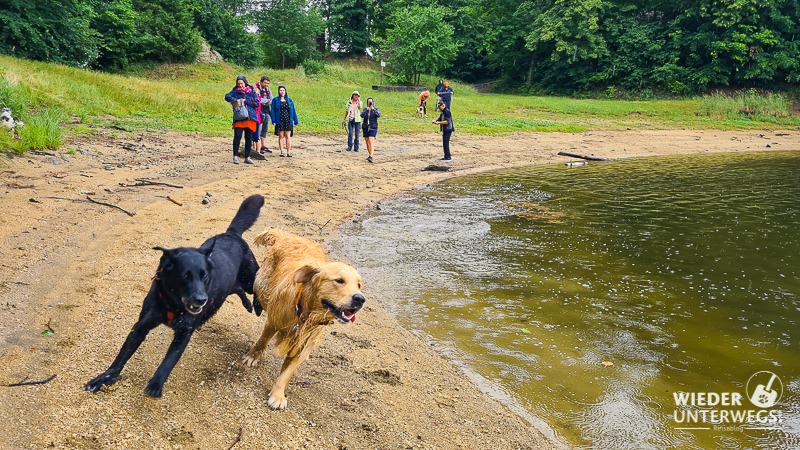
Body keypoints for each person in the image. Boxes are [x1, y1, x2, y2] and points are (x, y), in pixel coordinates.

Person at [224, 75, 260, 164]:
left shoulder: (251, 91)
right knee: (237, 136)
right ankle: (235, 156)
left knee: (249, 138)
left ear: (245, 82)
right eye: (238, 83)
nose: (240, 85)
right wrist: (238, 100)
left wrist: (246, 101)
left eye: (242, 83)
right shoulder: (235, 91)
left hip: (250, 117)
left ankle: (247, 157)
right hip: (239, 116)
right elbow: (227, 97)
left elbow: (257, 103)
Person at [270, 85, 298, 157]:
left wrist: (296, 120)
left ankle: (288, 152)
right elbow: (272, 110)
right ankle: (282, 151)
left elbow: (293, 110)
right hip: (280, 120)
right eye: (280, 90)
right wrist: (273, 120)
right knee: (281, 136)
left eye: (283, 90)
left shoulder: (289, 100)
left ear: (285, 91)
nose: (282, 92)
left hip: (288, 120)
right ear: (278, 91)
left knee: (288, 136)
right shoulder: (275, 100)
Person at [255, 76, 273, 154]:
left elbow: (272, 100)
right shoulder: (256, 89)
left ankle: (263, 145)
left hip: (266, 110)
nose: (266, 85)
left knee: (265, 128)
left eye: (268, 83)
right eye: (265, 83)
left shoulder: (268, 90)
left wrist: (266, 101)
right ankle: (256, 147)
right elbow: (258, 100)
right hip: (259, 111)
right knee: (259, 129)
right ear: (261, 82)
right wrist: (267, 100)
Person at [360, 97, 380, 163]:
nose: (370, 103)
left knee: (371, 140)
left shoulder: (376, 109)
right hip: (366, 127)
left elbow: (378, 115)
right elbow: (362, 115)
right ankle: (370, 154)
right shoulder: (365, 110)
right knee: (367, 142)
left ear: (373, 102)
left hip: (373, 127)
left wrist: (373, 109)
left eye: (371, 102)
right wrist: (367, 110)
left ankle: (371, 156)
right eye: (368, 102)